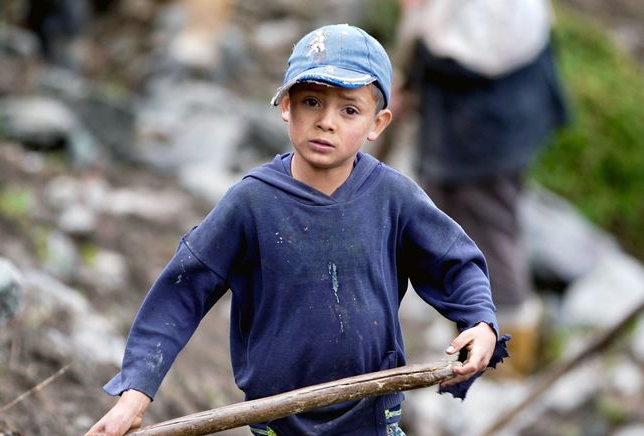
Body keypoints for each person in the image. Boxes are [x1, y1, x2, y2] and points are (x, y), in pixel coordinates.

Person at [87, 24, 507, 436]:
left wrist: (480, 322)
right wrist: (135, 394)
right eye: (311, 102)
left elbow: (455, 260)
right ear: (285, 104)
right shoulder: (252, 202)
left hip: (371, 415)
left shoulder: (393, 197)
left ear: (378, 123)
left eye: (349, 109)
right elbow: (181, 292)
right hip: (277, 418)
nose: (326, 122)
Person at [392, 0, 568, 376]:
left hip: (484, 123)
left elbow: (467, 47)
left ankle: (503, 363)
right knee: (475, 224)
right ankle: (487, 342)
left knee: (487, 232)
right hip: (498, 110)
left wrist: (416, 58)